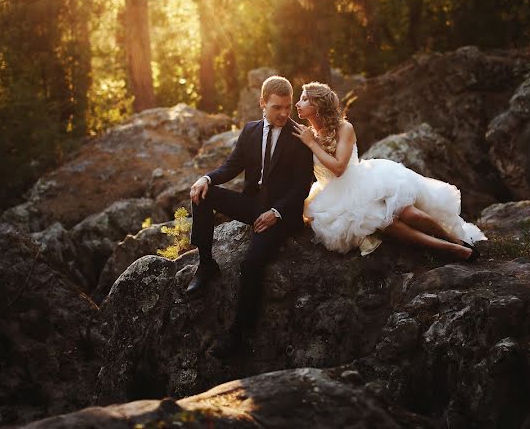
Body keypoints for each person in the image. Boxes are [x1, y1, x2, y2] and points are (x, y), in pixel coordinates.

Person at [187, 75, 314, 359]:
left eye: (287, 106)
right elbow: (232, 166)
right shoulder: (250, 131)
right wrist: (206, 177)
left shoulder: (300, 136)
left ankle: (239, 335)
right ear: (262, 104)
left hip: (283, 215)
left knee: (252, 262)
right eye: (276, 107)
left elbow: (302, 186)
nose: (283, 113)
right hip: (251, 205)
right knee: (202, 194)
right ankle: (206, 263)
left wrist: (276, 213)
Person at [291, 82, 486, 259]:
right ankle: (449, 249)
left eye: (305, 99)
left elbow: (340, 167)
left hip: (363, 181)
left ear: (318, 105)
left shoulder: (344, 128)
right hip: (335, 197)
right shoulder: (308, 134)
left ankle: (454, 239)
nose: (298, 103)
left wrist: (311, 144)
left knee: (410, 215)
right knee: (388, 224)